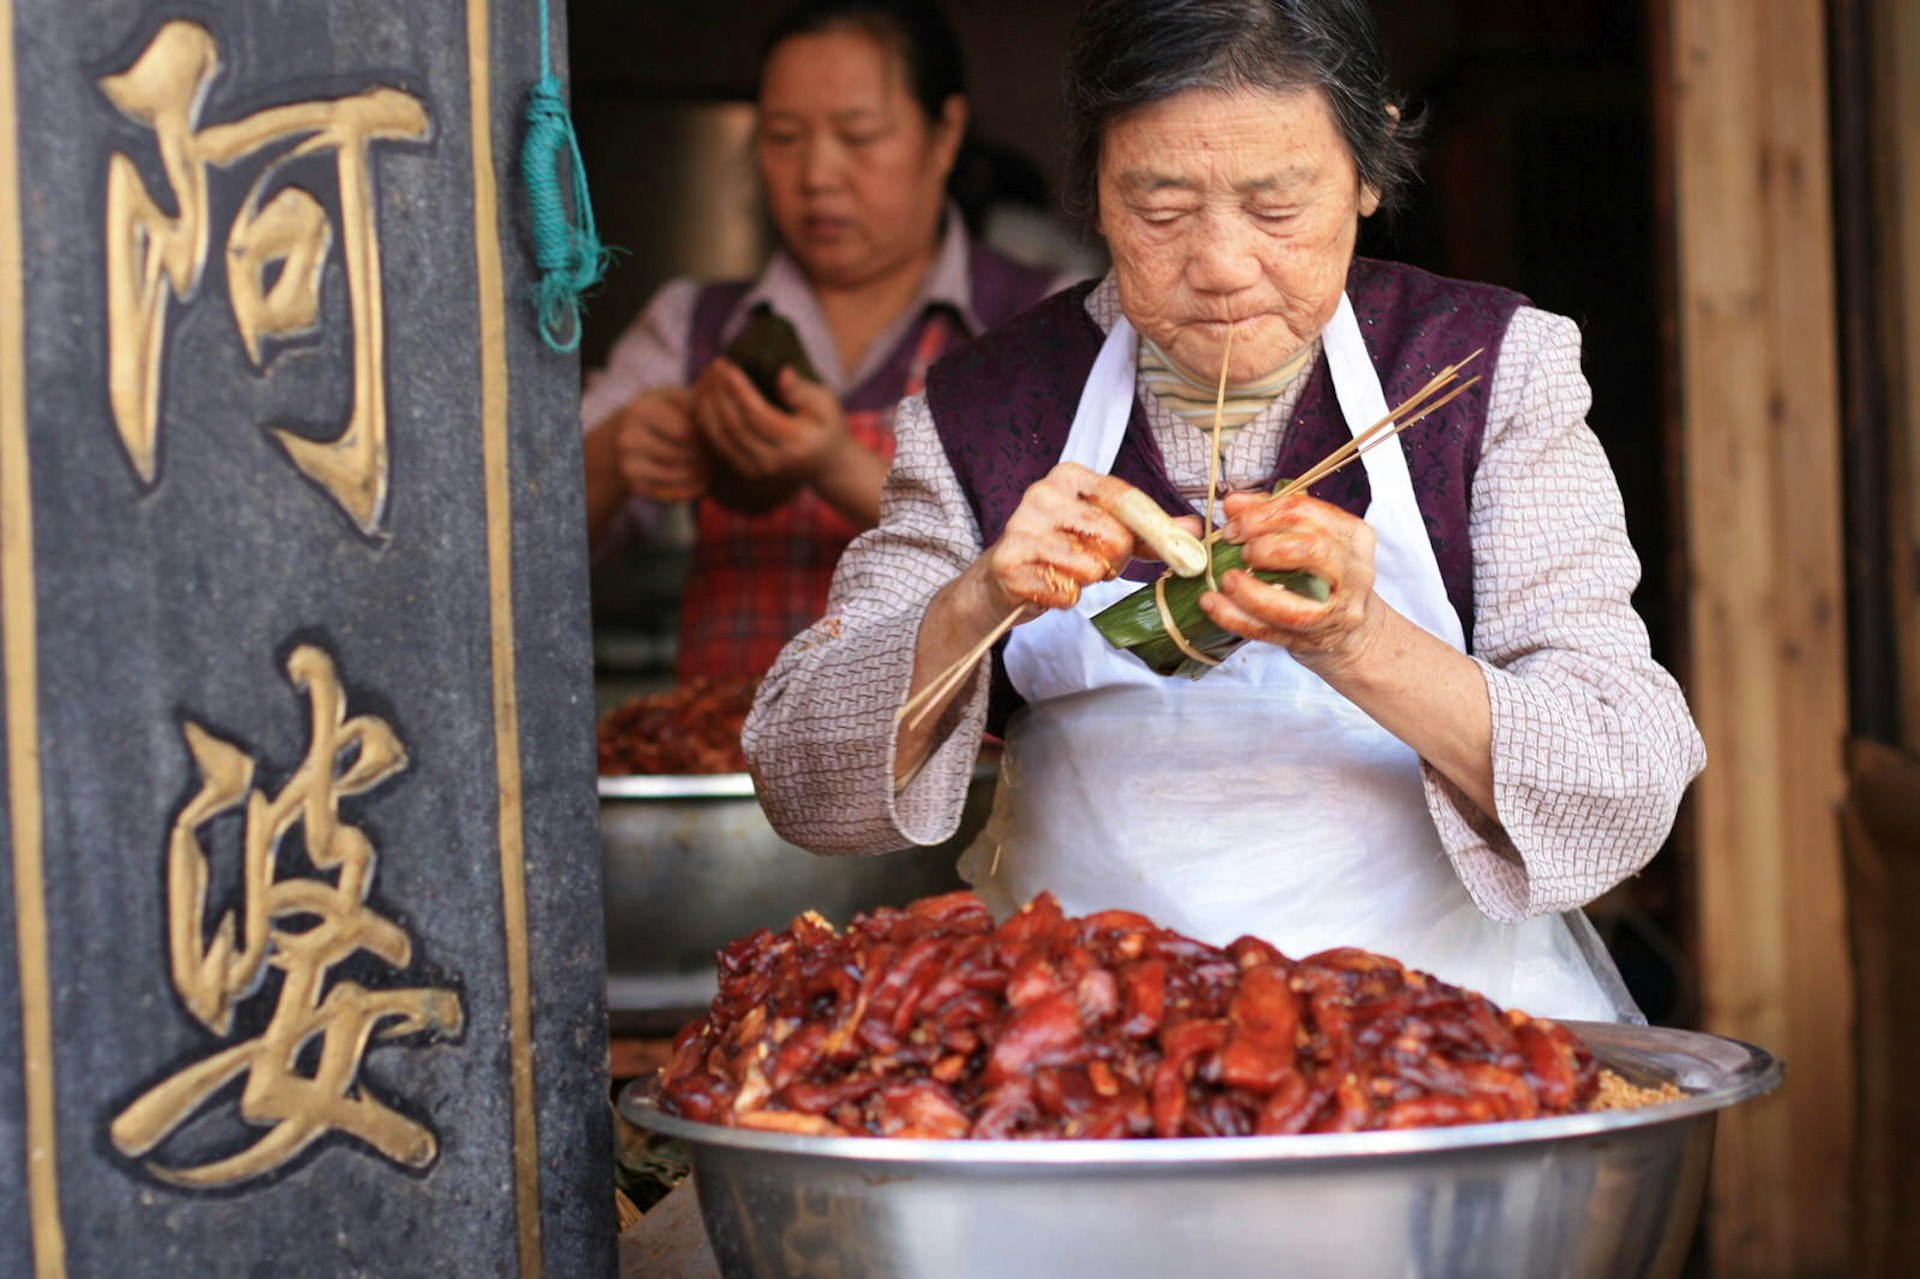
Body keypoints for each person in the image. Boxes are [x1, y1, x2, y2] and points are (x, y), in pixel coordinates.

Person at [743, 0, 1706, 1021]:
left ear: (1368, 171)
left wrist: (1358, 640)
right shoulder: (985, 407)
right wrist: (976, 601)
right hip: (1082, 1053)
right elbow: (804, 781)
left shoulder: (1488, 372)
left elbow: (1626, 779)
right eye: (1160, 210)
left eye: (1277, 207)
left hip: (1436, 1041)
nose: (1220, 265)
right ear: (1098, 194)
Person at [580, 0, 1069, 681]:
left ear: (945, 133)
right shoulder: (693, 322)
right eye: (783, 136)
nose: (817, 176)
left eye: (859, 135)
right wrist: (617, 451)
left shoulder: (1046, 317)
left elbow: (1073, 575)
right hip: (725, 757)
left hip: (959, 777)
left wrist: (833, 462)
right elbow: (523, 549)